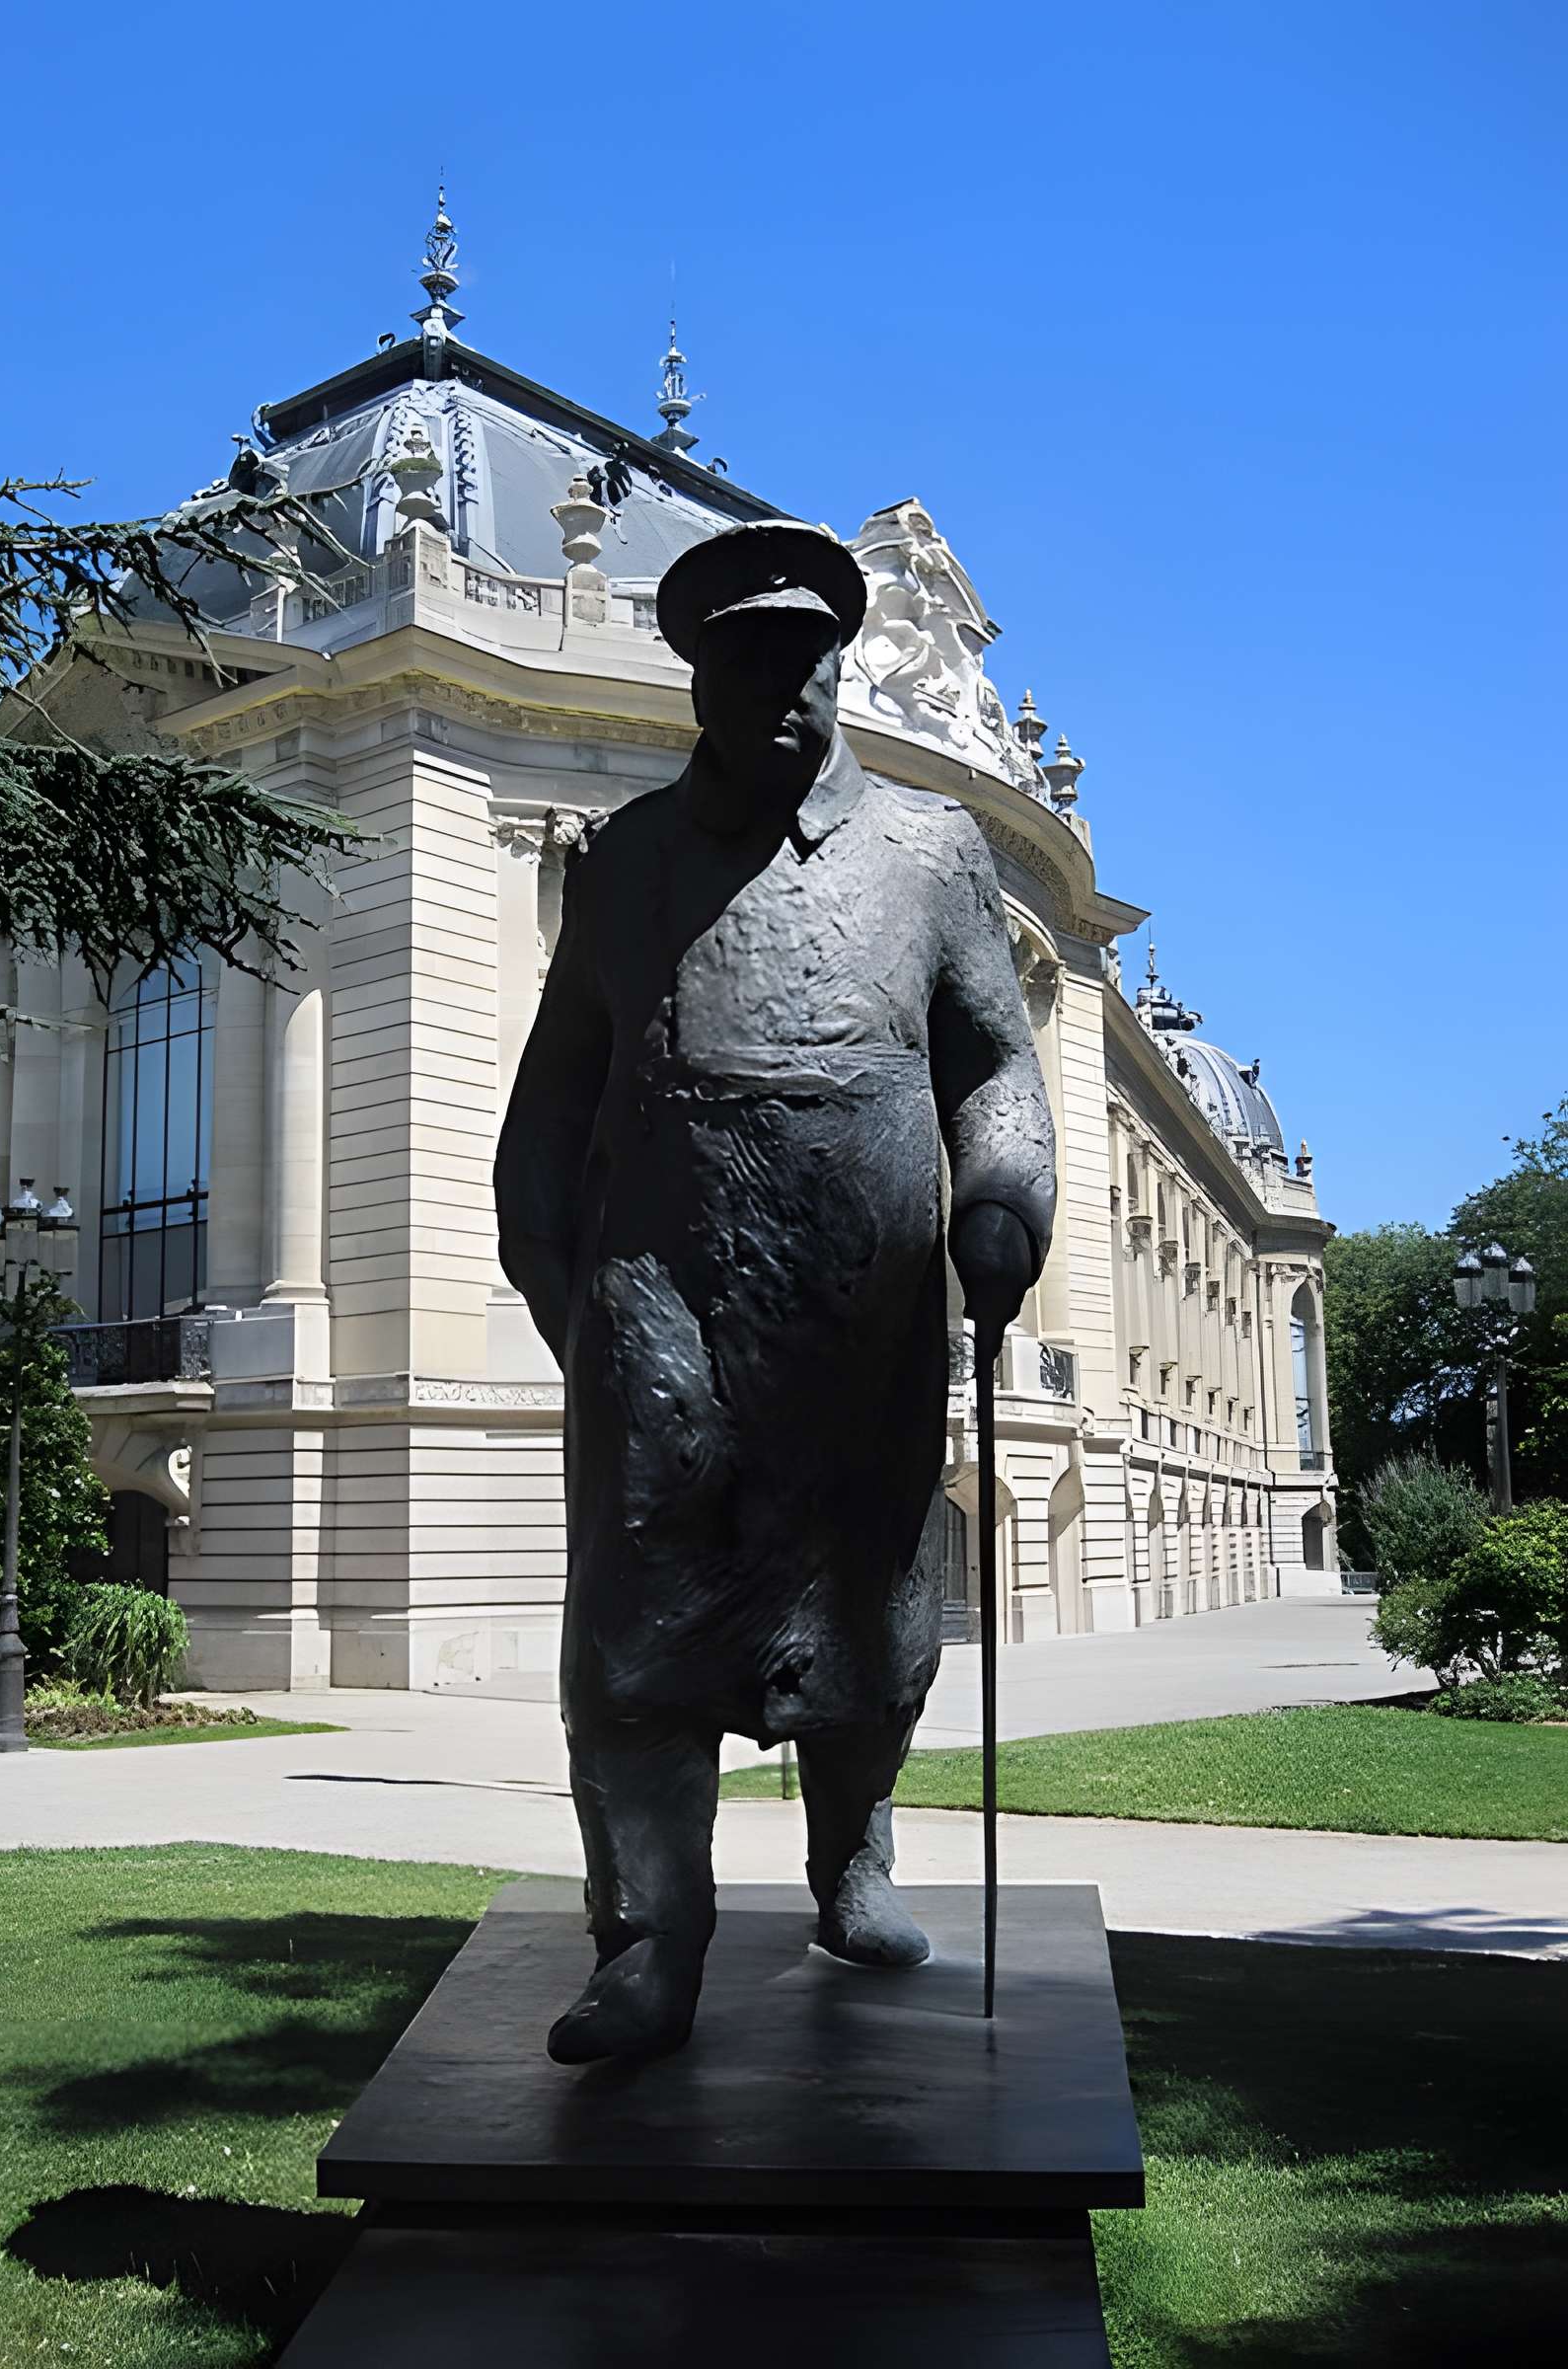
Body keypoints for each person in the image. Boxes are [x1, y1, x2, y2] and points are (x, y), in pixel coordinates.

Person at [495, 520, 1056, 2063]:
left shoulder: (933, 850)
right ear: (695, 680)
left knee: (870, 1604)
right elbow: (556, 1092)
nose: (782, 686)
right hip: (662, 1291)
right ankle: (647, 1941)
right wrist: (557, 1282)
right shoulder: (624, 864)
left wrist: (1004, 1206)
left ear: (841, 665)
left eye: (807, 656)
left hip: (864, 1298)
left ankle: (851, 1867)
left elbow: (995, 1063)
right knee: (635, 1613)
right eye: (746, 658)